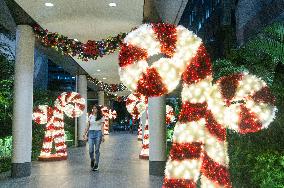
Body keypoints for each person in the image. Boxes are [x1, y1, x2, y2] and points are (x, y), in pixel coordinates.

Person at [83, 105, 105, 171]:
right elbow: (87, 126)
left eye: (95, 108)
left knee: (97, 150)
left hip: (98, 133)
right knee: (90, 150)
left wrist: (103, 135)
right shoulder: (90, 116)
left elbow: (102, 127)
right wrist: (84, 134)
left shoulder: (101, 117)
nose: (93, 109)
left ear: (98, 109)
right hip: (91, 133)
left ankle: (96, 164)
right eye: (93, 108)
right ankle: (92, 159)